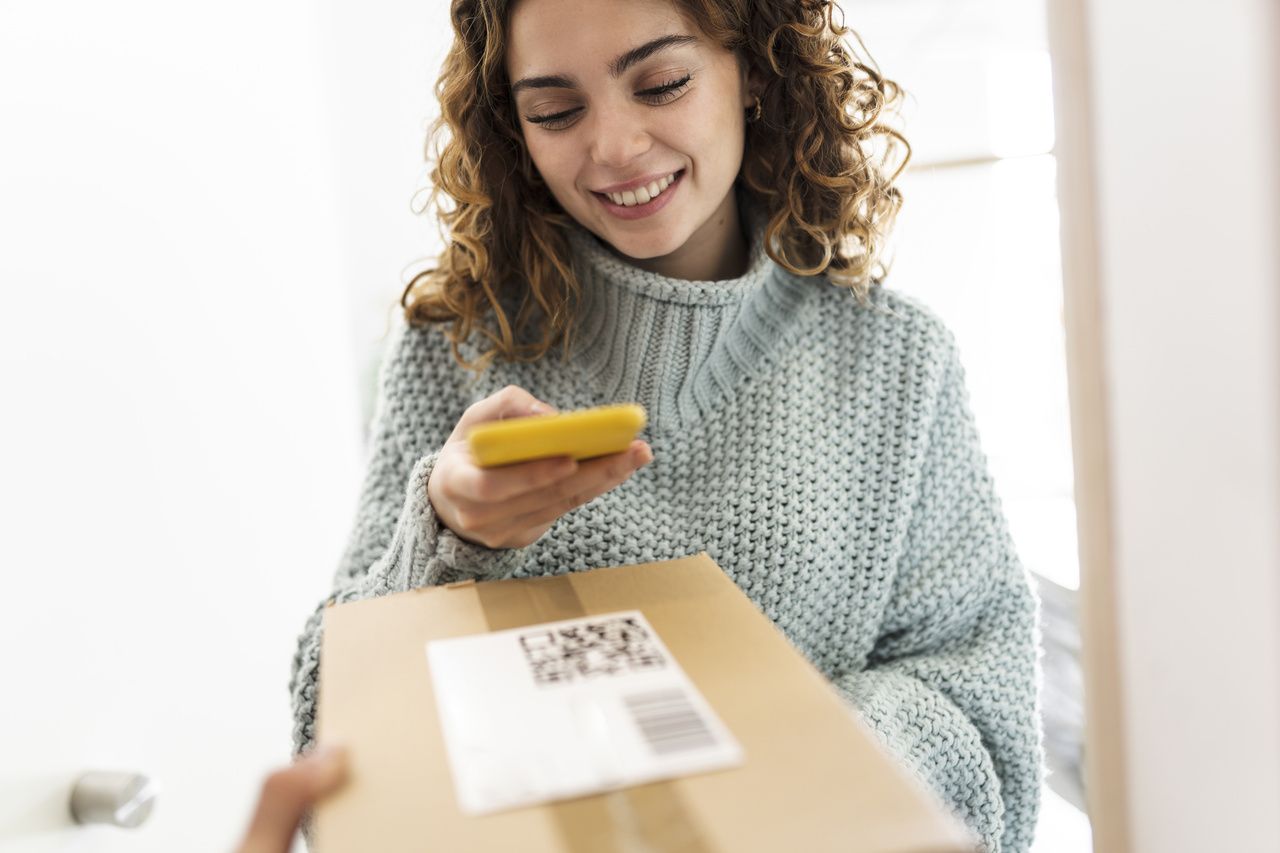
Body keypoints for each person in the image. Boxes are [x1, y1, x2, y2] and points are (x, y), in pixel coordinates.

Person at [289, 0, 1046, 850]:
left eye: (661, 83)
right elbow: (330, 746)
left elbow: (988, 729)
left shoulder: (896, 363)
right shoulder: (455, 351)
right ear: (515, 131)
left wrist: (772, 765)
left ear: (754, 68)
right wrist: (442, 535)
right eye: (554, 111)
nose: (612, 146)